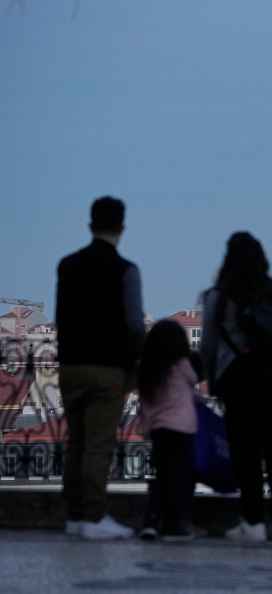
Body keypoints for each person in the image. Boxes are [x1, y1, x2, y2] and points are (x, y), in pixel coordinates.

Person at [200, 232, 272, 543]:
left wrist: (211, 379)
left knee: (245, 452)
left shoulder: (218, 297)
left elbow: (208, 345)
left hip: (240, 379)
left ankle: (253, 522)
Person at [56, 196, 144, 540]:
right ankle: (93, 517)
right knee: (97, 443)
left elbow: (62, 314)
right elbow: (135, 324)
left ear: (90, 224)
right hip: (107, 368)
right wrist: (134, 365)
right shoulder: (125, 270)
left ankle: (74, 515)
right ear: (121, 227)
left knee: (75, 441)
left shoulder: (67, 265)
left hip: (71, 365)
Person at [137, 320, 199, 542]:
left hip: (159, 430)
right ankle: (176, 525)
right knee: (181, 477)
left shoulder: (147, 370)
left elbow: (144, 405)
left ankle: (151, 522)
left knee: (162, 476)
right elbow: (194, 379)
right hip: (183, 429)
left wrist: (145, 429)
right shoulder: (181, 365)